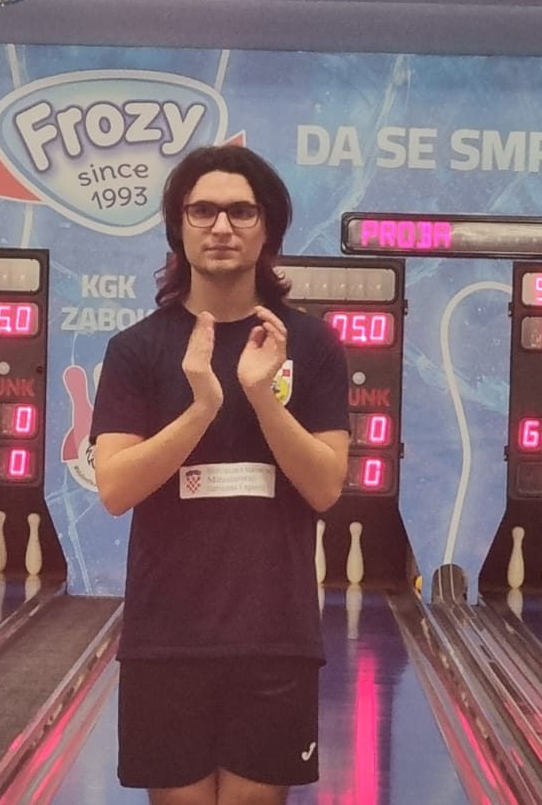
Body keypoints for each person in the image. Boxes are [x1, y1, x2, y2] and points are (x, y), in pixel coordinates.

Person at [89, 145, 351, 805]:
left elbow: (325, 485)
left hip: (275, 636)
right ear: (178, 227)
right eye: (202, 211)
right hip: (166, 638)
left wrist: (262, 395)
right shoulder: (137, 350)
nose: (222, 227)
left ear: (268, 229)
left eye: (241, 211)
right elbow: (116, 488)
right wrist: (202, 405)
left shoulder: (311, 346)